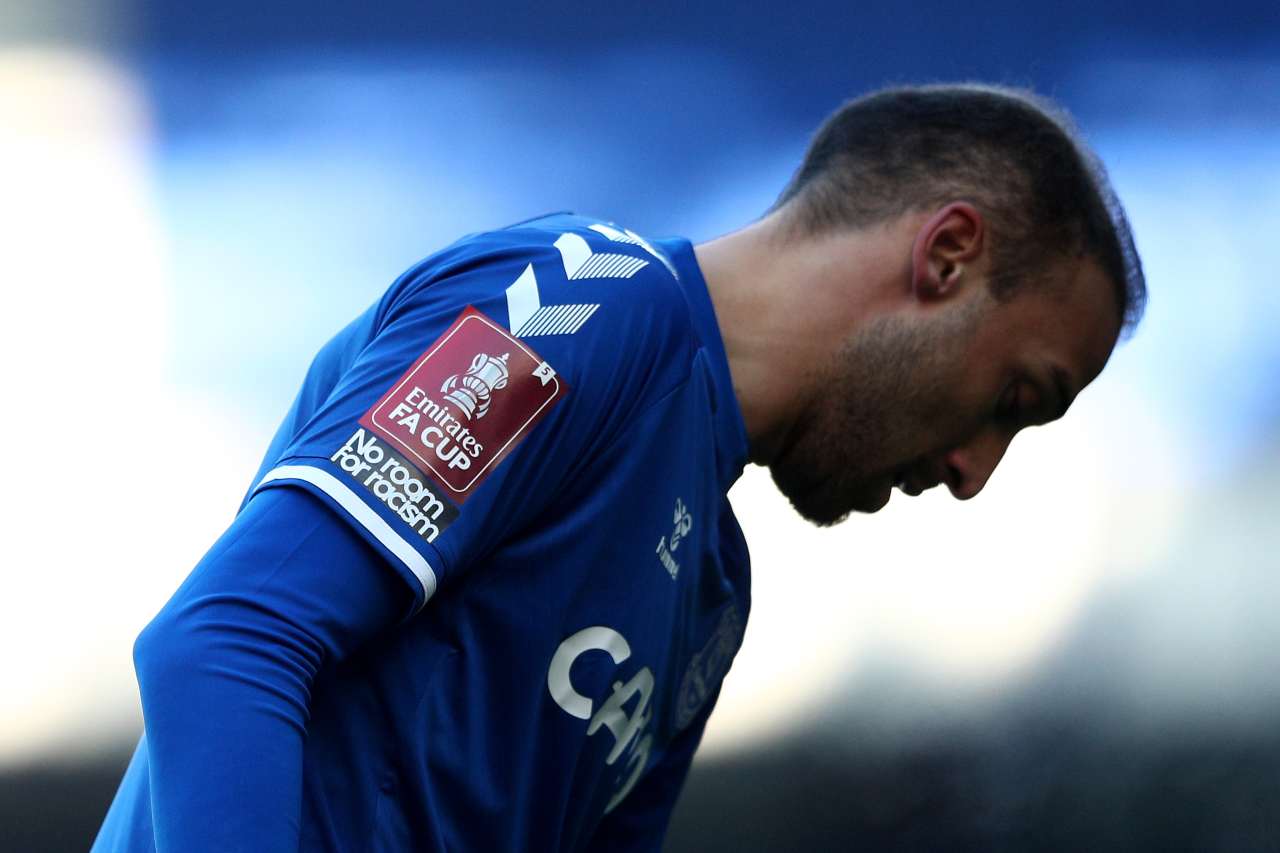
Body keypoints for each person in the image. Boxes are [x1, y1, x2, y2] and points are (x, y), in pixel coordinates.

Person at [92, 82, 1145, 852]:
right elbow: (224, 644)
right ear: (946, 254)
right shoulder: (576, 308)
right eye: (1016, 399)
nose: (975, 471)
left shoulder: (710, 599)